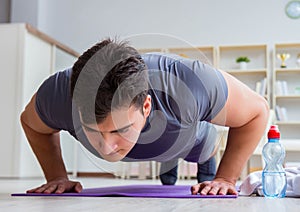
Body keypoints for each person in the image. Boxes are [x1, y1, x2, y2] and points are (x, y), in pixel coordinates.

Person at [20, 38, 269, 195]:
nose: (107, 147)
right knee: (167, 175)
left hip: (193, 138)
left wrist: (226, 178)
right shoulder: (58, 93)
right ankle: (165, 163)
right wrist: (56, 177)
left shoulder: (190, 83)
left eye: (120, 129)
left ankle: (202, 159)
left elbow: (257, 111)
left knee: (202, 154)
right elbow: (32, 125)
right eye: (93, 130)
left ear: (146, 105)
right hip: (161, 135)